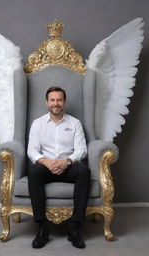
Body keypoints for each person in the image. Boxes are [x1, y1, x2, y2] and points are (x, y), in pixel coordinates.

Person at [27, 86, 91, 249]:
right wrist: (47, 162)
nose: (56, 103)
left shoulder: (75, 123)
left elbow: (81, 149)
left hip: (68, 167)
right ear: (47, 102)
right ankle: (42, 228)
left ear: (64, 102)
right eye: (52, 100)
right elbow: (32, 151)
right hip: (46, 167)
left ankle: (75, 228)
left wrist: (67, 161)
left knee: (84, 171)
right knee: (33, 170)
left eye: (59, 100)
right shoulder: (38, 123)